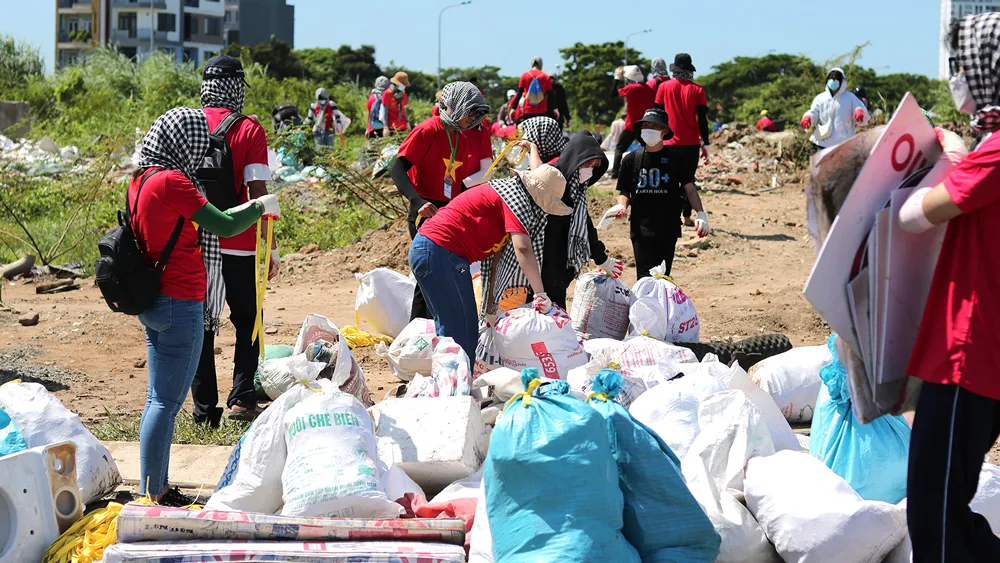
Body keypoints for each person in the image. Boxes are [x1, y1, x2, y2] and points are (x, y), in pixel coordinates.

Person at [130, 107, 279, 503]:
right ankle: (157, 491)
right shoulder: (173, 182)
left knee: (156, 399)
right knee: (165, 402)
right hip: (181, 300)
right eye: (199, 142)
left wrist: (243, 211)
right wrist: (262, 206)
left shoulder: (140, 180)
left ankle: (150, 487)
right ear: (184, 141)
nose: (203, 151)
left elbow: (212, 218)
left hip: (156, 299)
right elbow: (227, 227)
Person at [898, 13, 1000, 561]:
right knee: (947, 504)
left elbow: (916, 215)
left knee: (934, 514)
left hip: (967, 352)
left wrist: (954, 156)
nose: (958, 75)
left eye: (964, 64)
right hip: (986, 352)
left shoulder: (997, 150)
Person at [192, 55, 279, 426]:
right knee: (248, 319)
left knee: (202, 325)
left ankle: (202, 411)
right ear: (237, 89)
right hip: (239, 241)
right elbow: (258, 192)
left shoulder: (188, 125)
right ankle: (242, 400)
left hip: (194, 242)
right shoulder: (249, 130)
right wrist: (270, 247)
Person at [410, 165, 565, 363]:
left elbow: (495, 261)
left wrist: (492, 306)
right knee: (461, 331)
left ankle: (451, 384)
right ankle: (455, 388)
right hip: (440, 251)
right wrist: (540, 293)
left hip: (433, 251)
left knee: (453, 328)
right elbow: (523, 248)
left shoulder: (507, 199)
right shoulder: (514, 199)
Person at [390, 82, 489, 319]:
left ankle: (430, 330)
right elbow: (397, 168)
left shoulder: (461, 137)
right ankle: (417, 330)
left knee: (440, 273)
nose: (473, 118)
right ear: (456, 106)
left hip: (448, 211)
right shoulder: (427, 130)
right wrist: (416, 201)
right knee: (430, 271)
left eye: (476, 113)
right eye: (470, 111)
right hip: (426, 209)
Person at [616, 108, 710, 279]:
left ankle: (662, 305)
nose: (648, 128)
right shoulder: (631, 159)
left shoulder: (676, 158)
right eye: (645, 125)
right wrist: (621, 206)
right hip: (640, 227)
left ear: (664, 131)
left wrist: (701, 213)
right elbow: (624, 191)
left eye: (654, 126)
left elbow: (689, 188)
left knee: (663, 276)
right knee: (644, 277)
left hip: (668, 227)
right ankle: (644, 306)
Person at [655, 53, 711, 227]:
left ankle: (668, 216)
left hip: (669, 144)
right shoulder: (698, 90)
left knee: (668, 181)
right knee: (689, 182)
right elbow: (702, 119)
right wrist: (706, 143)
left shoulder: (664, 87)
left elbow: (657, 114)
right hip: (691, 144)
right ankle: (686, 217)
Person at [799, 67, 870, 150]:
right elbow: (814, 113)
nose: (833, 81)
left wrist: (859, 112)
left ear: (842, 82)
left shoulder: (850, 98)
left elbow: (861, 113)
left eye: (836, 79)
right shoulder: (820, 98)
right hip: (823, 142)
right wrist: (808, 117)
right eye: (831, 78)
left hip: (844, 143)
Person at [611, 65, 655, 179]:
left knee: (620, 148)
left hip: (631, 125)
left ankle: (615, 172)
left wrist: (617, 77)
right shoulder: (649, 89)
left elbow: (613, 94)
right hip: (645, 125)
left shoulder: (631, 88)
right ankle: (653, 170)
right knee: (649, 149)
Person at [509, 57, 555, 123]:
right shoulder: (546, 77)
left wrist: (513, 109)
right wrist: (553, 111)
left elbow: (519, 94)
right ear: (541, 64)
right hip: (542, 111)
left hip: (528, 110)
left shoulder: (524, 76)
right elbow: (550, 96)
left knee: (527, 131)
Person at [380, 72, 411, 136]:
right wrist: (385, 126)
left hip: (403, 126)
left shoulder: (403, 93)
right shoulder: (387, 93)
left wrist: (407, 123)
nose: (404, 86)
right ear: (396, 84)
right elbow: (384, 111)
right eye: (402, 84)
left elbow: (404, 109)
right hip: (392, 126)